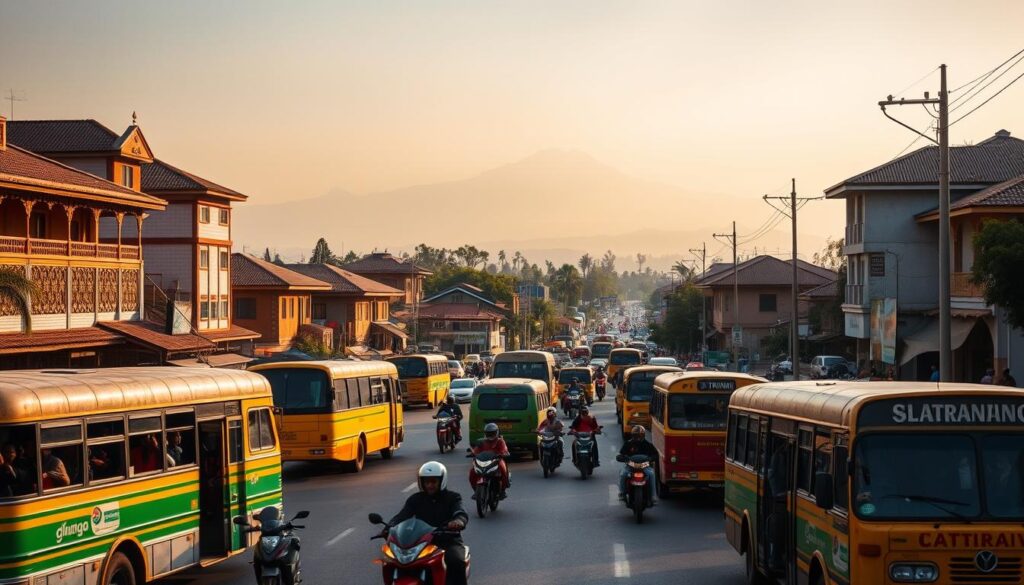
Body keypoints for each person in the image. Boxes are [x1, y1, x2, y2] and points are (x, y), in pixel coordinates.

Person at [386, 462, 469, 585]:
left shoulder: (452, 498)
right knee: (392, 560)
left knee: (456, 561)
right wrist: (389, 527)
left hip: (447, 540)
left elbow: (460, 512)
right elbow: (402, 516)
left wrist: (458, 521)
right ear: (422, 483)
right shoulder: (415, 499)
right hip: (421, 542)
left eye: (433, 482)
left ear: (441, 481)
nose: (430, 485)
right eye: (426, 482)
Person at [617, 425, 658, 502]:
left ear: (643, 435)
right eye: (636, 436)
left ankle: (653, 496)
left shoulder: (648, 444)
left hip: (645, 466)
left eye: (640, 435)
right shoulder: (628, 444)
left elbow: (655, 455)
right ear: (632, 435)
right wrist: (622, 458)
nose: (638, 437)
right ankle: (622, 493)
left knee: (652, 474)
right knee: (623, 474)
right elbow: (620, 454)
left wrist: (651, 459)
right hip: (631, 466)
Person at [469, 423, 510, 498]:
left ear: (496, 432)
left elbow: (504, 449)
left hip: (497, 461)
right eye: (489, 433)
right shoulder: (482, 442)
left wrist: (503, 453)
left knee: (503, 470)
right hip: (483, 461)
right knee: (472, 472)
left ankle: (503, 490)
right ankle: (476, 491)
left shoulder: (500, 441)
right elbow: (476, 450)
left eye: (492, 433)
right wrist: (472, 453)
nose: (490, 435)